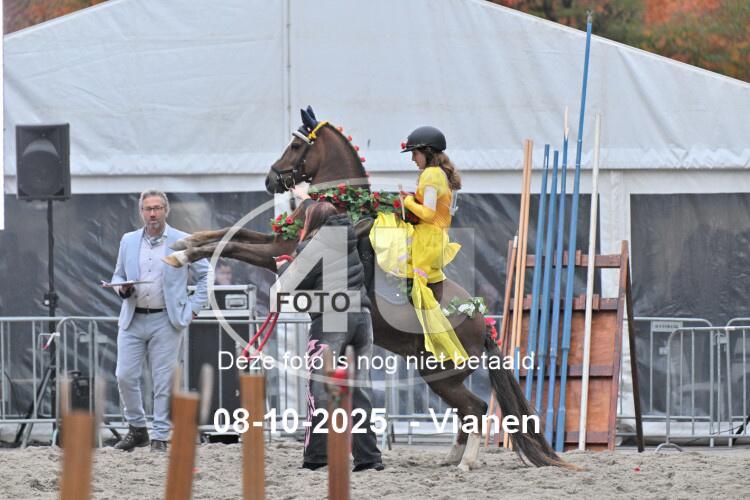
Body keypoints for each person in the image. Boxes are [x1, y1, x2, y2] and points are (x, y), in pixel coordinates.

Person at [276, 201, 383, 471]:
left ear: (311, 222)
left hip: (332, 316)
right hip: (362, 317)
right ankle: (369, 458)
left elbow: (288, 286)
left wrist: (281, 266)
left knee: (320, 390)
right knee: (360, 391)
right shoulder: (350, 240)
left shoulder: (314, 246)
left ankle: (317, 457)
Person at [110, 189, 209, 452]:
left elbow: (205, 276)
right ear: (141, 212)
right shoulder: (128, 240)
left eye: (157, 208)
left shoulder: (183, 240)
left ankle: (161, 436)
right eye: (148, 209)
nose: (152, 213)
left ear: (166, 210)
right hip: (132, 317)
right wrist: (121, 288)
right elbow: (118, 275)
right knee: (124, 376)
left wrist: (192, 310)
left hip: (166, 319)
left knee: (163, 380)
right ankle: (137, 428)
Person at [369, 125, 468, 364]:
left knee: (385, 236)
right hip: (430, 236)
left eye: (415, 153)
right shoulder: (436, 174)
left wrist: (407, 201)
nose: (413, 159)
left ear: (427, 152)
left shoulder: (431, 175)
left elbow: (428, 213)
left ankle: (416, 326)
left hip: (427, 239)